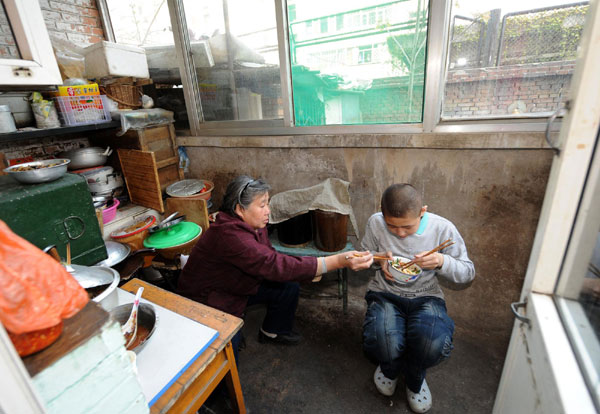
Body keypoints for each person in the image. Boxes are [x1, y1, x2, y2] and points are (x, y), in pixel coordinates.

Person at [177, 175, 373, 360]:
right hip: (210, 299)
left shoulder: (255, 225)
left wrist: (310, 269)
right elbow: (272, 264)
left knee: (288, 286)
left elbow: (270, 257)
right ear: (239, 209)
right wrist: (337, 261)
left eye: (268, 203)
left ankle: (272, 331)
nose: (268, 210)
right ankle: (223, 390)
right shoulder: (230, 236)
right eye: (262, 205)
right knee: (226, 346)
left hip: (235, 284)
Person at [360, 183, 475, 413]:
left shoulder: (443, 229)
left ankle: (414, 377)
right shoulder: (375, 222)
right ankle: (390, 368)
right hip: (385, 294)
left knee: (432, 343)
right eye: (392, 226)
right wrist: (377, 260)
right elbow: (364, 257)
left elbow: (468, 272)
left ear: (422, 211)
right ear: (382, 214)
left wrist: (442, 262)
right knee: (381, 340)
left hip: (427, 297)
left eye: (407, 227)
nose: (400, 233)